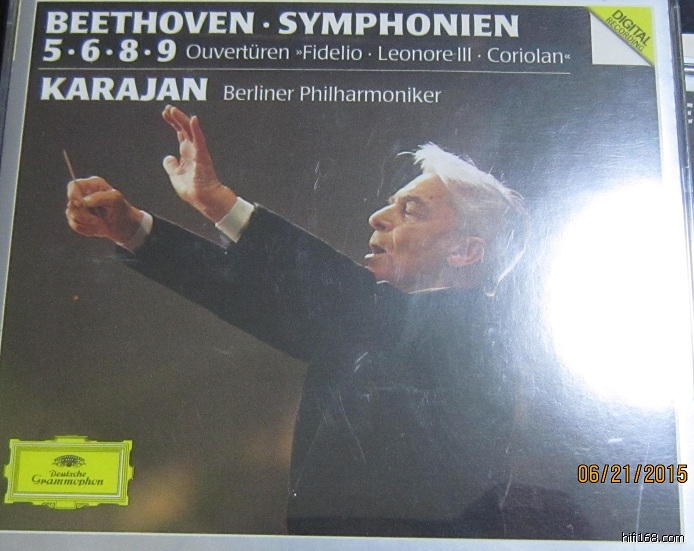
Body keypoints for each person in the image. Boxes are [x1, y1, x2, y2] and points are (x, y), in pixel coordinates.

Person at [66, 106, 530, 537]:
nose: (377, 217)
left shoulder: (475, 332)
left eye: (411, 209)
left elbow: (350, 299)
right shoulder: (370, 327)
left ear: (464, 251)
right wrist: (131, 228)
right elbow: (247, 297)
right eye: (391, 204)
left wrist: (218, 202)